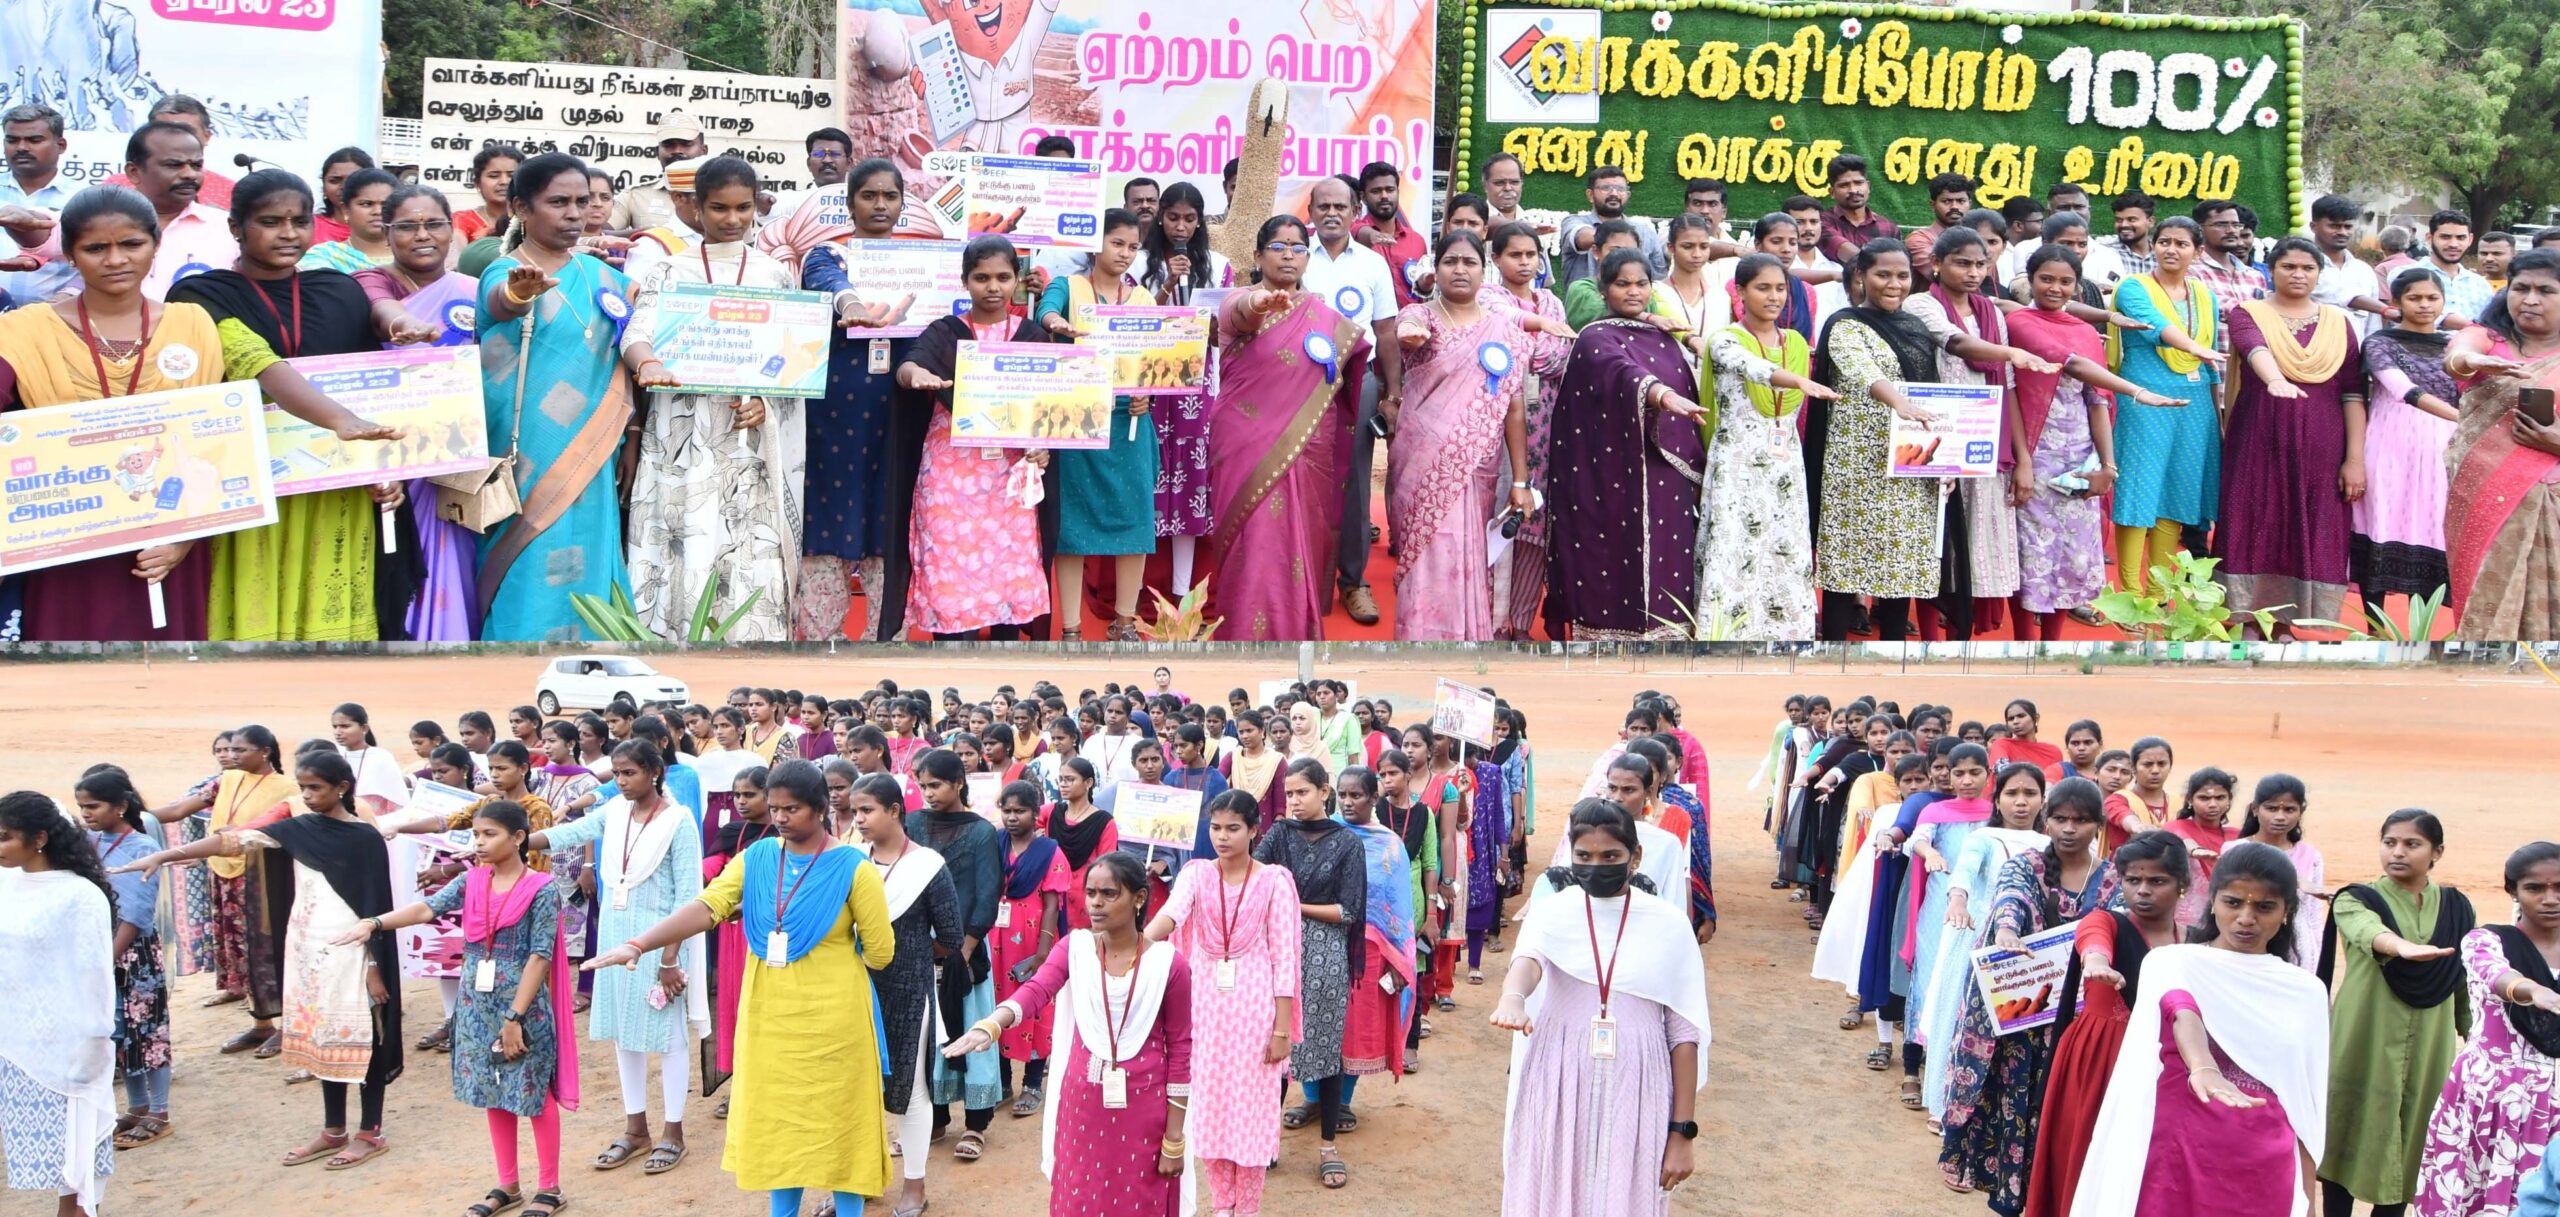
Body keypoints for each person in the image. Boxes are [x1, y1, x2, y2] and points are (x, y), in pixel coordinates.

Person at [587, 760, 895, 1216]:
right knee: (779, 1128)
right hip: (769, 1019)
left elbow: (881, 953)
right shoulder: (757, 856)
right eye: (775, 808)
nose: (781, 818)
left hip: (835, 1025)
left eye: (792, 809)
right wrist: (639, 943)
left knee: (839, 1127)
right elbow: (710, 903)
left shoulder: (855, 868)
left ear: (821, 808)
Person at [118, 751, 406, 1170]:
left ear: (342, 788)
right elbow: (237, 840)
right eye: (302, 787)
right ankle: (333, 1130)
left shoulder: (365, 838)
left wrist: (375, 967)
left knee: (364, 1040)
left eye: (315, 788)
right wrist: (165, 856)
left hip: (356, 955)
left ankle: (370, 1132)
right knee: (322, 1040)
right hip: (308, 952)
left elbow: (376, 905)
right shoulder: (300, 829)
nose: (306, 796)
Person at [164, 169, 410, 641]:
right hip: (246, 486)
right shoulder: (200, 295)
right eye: (270, 221)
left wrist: (387, 465)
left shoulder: (340, 290)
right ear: (236, 228)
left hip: (336, 485)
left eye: (299, 221)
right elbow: (253, 360)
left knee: (331, 628)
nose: (288, 234)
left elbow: (372, 387)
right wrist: (342, 421)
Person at [0, 187, 229, 641]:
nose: (116, 260)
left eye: (131, 244)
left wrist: (187, 534)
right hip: (67, 540)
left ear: (155, 245)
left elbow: (217, 440)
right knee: (69, 663)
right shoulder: (24, 330)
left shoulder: (193, 323)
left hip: (170, 535)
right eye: (95, 248)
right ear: (69, 254)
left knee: (169, 669)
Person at [474, 153, 680, 640]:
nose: (574, 213)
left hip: (595, 446)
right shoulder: (503, 270)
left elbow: (648, 330)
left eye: (582, 202)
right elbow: (499, 303)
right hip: (525, 455)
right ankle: (515, 649)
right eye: (558, 202)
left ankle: (594, 651)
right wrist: (518, 295)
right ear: (521, 208)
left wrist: (632, 432)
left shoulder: (604, 277)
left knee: (589, 548)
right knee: (529, 556)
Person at [345, 799, 576, 1217]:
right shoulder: (472, 880)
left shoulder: (542, 888)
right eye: (476, 834)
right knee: (492, 1090)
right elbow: (426, 908)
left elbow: (539, 956)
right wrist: (375, 922)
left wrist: (514, 1017)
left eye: (489, 834)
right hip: (475, 1005)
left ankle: (550, 1187)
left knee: (534, 1091)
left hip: (521, 1007)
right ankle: (507, 1184)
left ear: (518, 838)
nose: (479, 842)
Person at [2071, 847, 2332, 1217]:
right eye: (2233, 902)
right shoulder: (2172, 962)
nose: (2246, 918)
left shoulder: (2305, 991)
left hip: (2264, 1163)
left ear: (2286, 911)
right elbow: (2181, 1009)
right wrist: (2203, 1066)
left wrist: (2307, 1201)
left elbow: (2306, 1102)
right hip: (2176, 1155)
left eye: (2264, 907)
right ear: (2213, 902)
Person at [942, 852, 1193, 1216]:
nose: (1095, 903)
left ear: (1139, 898)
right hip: (1082, 1106)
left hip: (1145, 1110)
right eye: (1090, 892)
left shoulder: (1169, 965)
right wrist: (992, 1024)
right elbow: (1037, 989)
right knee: (1079, 1198)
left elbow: (1181, 1050)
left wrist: (1173, 1139)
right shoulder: (1075, 948)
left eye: (1109, 893)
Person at [1491, 800, 1707, 1217]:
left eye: (1610, 856)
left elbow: (1684, 1035)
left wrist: (1682, 1133)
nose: (1596, 866)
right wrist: (1512, 998)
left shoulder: (1668, 924)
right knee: (1552, 1188)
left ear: (1635, 856)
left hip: (1638, 1087)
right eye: (1584, 857)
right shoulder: (1553, 911)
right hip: (1559, 1080)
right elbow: (1528, 961)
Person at [622, 156, 802, 641]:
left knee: (747, 538)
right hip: (683, 431)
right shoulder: (669, 270)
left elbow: (793, 358)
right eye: (719, 208)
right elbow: (636, 334)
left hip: (748, 439)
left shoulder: (774, 275)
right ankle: (676, 640)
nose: (732, 219)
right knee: (685, 532)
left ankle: (749, 644)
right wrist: (648, 363)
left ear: (756, 206)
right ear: (696, 209)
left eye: (743, 208)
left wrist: (768, 403)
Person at [522, 740, 704, 1175]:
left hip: (660, 942)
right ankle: (636, 1128)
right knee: (624, 1032)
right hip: (615, 935)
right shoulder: (615, 811)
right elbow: (570, 834)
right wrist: (517, 843)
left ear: (654, 772)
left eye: (629, 773)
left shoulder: (678, 821)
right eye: (617, 773)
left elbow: (687, 897)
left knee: (669, 1036)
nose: (620, 781)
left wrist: (669, 958)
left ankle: (673, 1132)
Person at [1937, 778, 2119, 1208]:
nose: (2069, 828)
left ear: (2098, 825)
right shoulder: (2026, 865)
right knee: (2014, 1101)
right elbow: (2011, 898)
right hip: (2023, 1020)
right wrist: (2005, 930)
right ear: (2046, 821)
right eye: (2060, 818)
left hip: (2079, 1019)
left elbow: (2116, 924)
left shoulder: (2112, 877)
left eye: (2081, 820)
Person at [1205, 216, 1371, 640]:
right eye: (1277, 247)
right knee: (1254, 540)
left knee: (1298, 544)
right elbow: (1241, 315)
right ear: (1258, 256)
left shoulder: (1324, 316)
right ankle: (1243, 635)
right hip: (1246, 443)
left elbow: (1350, 368)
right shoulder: (1238, 300)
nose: (1288, 255)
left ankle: (1295, 633)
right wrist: (1258, 304)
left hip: (1308, 448)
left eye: (1298, 247)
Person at [1142, 790, 1299, 1217]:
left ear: (1254, 830)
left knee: (1250, 1113)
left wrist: (1281, 1030)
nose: (1222, 837)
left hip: (1256, 1011)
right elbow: (1171, 915)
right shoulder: (1195, 874)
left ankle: (1246, 1209)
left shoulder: (1274, 881)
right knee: (1210, 1108)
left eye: (1233, 828)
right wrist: (1134, 945)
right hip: (1204, 1009)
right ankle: (1221, 1207)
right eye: (1215, 828)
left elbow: (1284, 958)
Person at [2007, 245, 2177, 636]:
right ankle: (2023, 644)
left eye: (2065, 281)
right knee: (2031, 555)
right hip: (2034, 452)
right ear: (2030, 281)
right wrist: (2138, 392)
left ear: (2077, 287)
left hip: (2080, 456)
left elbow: (2097, 400)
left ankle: (2051, 644)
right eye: (2046, 279)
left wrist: (2107, 466)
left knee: (2073, 557)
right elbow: (2070, 364)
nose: (2055, 288)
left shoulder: (2084, 331)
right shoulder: (2019, 324)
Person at [2020, 829, 2190, 1217]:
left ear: (2182, 885)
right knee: (2083, 1155)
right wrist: (2096, 961)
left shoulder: (2192, 942)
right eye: (2133, 880)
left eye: (2157, 881)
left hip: (2160, 1066)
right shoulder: (2108, 921)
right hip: (2099, 1060)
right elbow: (2092, 937)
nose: (2142, 890)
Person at [1544, 247, 1711, 639]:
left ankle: (1669, 635)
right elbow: (1620, 371)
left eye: (1641, 284)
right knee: (1613, 554)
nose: (1633, 291)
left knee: (1668, 551)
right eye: (1622, 284)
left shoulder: (1664, 337)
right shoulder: (1594, 337)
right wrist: (1661, 395)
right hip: (1610, 473)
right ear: (1603, 290)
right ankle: (1605, 636)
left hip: (1664, 468)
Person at [892, 235, 1052, 640]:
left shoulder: (1032, 336)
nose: (993, 287)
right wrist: (917, 376)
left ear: (1017, 280)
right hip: (950, 475)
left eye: (1003, 277)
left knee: (1008, 572)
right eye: (982, 278)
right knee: (949, 569)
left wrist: (1043, 446)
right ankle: (951, 656)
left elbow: (1051, 403)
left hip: (1009, 476)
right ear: (965, 281)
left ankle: (1004, 662)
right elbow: (909, 365)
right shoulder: (945, 332)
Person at [2317, 809, 2475, 1217]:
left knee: (2415, 1136)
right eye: (2389, 843)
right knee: (2347, 1130)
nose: (2398, 852)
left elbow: (2460, 976)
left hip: (2430, 1043)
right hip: (2364, 1036)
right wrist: (2401, 947)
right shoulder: (2355, 899)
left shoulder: (2457, 907)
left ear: (2437, 852)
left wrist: (2473, 1031)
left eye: (2412, 844)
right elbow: (2366, 930)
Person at [1902, 226, 2058, 638]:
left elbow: (2008, 390)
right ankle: (1929, 640)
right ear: (1937, 264)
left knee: (1974, 552)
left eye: (1980, 264)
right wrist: (2011, 352)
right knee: (1935, 547)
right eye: (1962, 263)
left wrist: (2023, 460)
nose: (1973, 273)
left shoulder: (1991, 313)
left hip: (1983, 444)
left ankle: (1961, 642)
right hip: (1934, 439)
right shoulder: (1920, 304)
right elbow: (1954, 342)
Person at [1387, 229, 1536, 639]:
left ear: (1483, 271)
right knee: (1427, 553)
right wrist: (1409, 332)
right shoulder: (1423, 317)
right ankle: (1419, 638)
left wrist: (1520, 481)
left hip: (1477, 466)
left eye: (1469, 262)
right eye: (1450, 261)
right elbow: (1408, 325)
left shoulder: (1504, 332)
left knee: (1466, 549)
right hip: (1422, 466)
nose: (1460, 269)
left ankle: (1466, 639)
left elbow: (1515, 409)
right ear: (1436, 269)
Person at [2217, 236, 2369, 633]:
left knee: (2311, 524)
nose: (2298, 274)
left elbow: (2353, 393)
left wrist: (2355, 460)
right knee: (2253, 518)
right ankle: (2247, 619)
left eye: (2307, 268)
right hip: (2258, 437)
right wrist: (2275, 380)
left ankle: (2288, 622)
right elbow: (2254, 348)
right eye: (2289, 267)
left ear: (2319, 274)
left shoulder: (2339, 323)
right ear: (2272, 271)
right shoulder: (2248, 312)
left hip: (2323, 443)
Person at [351, 183, 482, 637]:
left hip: (459, 454)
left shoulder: (472, 290)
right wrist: (405, 325)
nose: (423, 235)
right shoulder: (370, 281)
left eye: (434, 224)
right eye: (407, 226)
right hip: (396, 454)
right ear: (386, 232)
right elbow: (381, 309)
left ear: (451, 230)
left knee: (460, 559)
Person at [796, 158, 917, 641]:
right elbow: (832, 286)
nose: (880, 205)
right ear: (850, 204)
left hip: (901, 409)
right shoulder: (826, 255)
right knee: (826, 511)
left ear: (903, 204)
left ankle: (885, 641)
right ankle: (820, 642)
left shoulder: (924, 264)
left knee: (891, 512)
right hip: (832, 413)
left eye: (890, 196)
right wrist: (852, 305)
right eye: (869, 196)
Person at [2414, 840, 2560, 1217]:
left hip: (2554, 1105)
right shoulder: (2486, 940)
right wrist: (2530, 990)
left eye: (2559, 888)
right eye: (2535, 888)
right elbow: (2494, 973)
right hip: (2489, 1099)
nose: (2550, 899)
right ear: (2512, 890)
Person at [1809, 239, 1946, 640]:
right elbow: (1862, 369)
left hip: (1908, 463)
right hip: (1855, 467)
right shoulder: (1844, 325)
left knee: (1899, 571)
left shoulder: (1915, 327)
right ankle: (1834, 648)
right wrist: (1898, 402)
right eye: (1883, 274)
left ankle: (1893, 652)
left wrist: (1945, 461)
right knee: (1844, 567)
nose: (1894, 284)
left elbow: (1935, 394)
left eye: (1902, 275)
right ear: (1861, 276)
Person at [1037, 208, 1159, 641]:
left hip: (1130, 423)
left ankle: (1124, 622)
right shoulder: (1068, 286)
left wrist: (1148, 392)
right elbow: (1045, 311)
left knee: (1135, 521)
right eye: (1117, 243)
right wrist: (1056, 323)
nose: (1125, 253)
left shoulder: (1143, 299)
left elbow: (1155, 359)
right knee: (1071, 526)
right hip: (1075, 420)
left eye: (1133, 247)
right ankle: (1070, 628)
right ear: (1095, 244)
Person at [1697, 254, 1834, 638]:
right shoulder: (1725, 340)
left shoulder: (1796, 342)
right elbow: (1748, 365)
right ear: (1740, 292)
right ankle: (1726, 637)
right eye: (1762, 288)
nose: (1773, 297)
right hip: (1736, 466)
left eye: (1780, 289)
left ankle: (1785, 634)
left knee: (1783, 548)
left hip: (1784, 465)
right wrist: (1795, 380)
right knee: (1735, 548)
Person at [846, 770, 962, 1209]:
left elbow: (950, 937)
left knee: (911, 1089)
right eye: (855, 811)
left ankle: (915, 1184)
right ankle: (858, 1180)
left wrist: (905, 952)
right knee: (855, 1088)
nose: (858, 819)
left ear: (895, 810)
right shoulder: (850, 860)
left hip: (909, 992)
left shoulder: (927, 865)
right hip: (852, 988)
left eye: (867, 810)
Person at [0, 791, 118, 1217]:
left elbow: (94, 975)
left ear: (40, 838)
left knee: (78, 1165)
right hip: (13, 1045)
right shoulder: (5, 884)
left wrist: (94, 1042)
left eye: (5, 836)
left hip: (68, 1047)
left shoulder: (80, 896)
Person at [1256, 758, 1366, 1187]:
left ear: (1324, 792)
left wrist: (1293, 905)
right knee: (1273, 1046)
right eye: (1289, 793)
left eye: (1302, 792)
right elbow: (1254, 878)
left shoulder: (1347, 842)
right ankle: (1267, 1140)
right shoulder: (1279, 834)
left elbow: (1348, 910)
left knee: (1326, 1046)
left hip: (1325, 953)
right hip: (1275, 950)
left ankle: (1327, 1146)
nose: (1294, 801)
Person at [2107, 216, 2230, 594]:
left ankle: (2160, 593)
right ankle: (2130, 594)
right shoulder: (2134, 287)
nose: (2171, 250)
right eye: (2164, 242)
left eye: (2181, 243)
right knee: (2139, 488)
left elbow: (2210, 361)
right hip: (2143, 398)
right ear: (2154, 246)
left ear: (2198, 251)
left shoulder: (2204, 294)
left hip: (2196, 403)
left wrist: (2216, 418)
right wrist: (2193, 347)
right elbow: (2153, 324)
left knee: (2178, 490)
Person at [1298, 179, 1401, 627]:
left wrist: (1392, 394)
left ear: (1355, 210)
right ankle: (1304, 579)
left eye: (1341, 206)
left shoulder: (1373, 263)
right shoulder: (1294, 254)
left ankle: (1354, 581)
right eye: (1324, 206)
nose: (1332, 213)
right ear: (1311, 211)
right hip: (1299, 383)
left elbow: (1386, 332)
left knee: (1356, 480)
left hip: (1359, 381)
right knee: (1301, 478)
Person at [2443, 247, 2560, 637]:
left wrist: (2555, 442)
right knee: (2482, 598)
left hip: (2551, 498)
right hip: (2478, 494)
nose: (2530, 300)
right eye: (2521, 288)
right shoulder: (2487, 338)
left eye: (2546, 290)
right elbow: (2457, 354)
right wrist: (2472, 361)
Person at [906, 750, 1004, 1159]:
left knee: (972, 1031)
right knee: (926, 1038)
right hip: (918, 950)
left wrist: (963, 949)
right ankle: (936, 1120)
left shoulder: (981, 832)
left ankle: (976, 1125)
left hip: (967, 950)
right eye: (923, 786)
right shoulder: (912, 823)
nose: (928, 793)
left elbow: (988, 892)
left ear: (958, 784)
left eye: (936, 785)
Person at [1481, 222, 1576, 637]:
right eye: (1514, 255)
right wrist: (1538, 336)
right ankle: (1490, 622)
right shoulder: (1488, 297)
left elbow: (1555, 357)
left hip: (1548, 426)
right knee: (1499, 518)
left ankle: (1520, 622)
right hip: (1499, 425)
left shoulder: (1552, 301)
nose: (1524, 262)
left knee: (1535, 524)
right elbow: (1520, 349)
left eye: (1530, 255)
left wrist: (1529, 345)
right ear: (1496, 259)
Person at [1139, 182, 1232, 596]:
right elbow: (1136, 324)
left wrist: (1214, 327)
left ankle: (1182, 590)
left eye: (1189, 219)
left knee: (1192, 481)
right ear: (1161, 217)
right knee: (1150, 477)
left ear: (1200, 222)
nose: (1181, 226)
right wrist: (1166, 284)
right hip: (1151, 383)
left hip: (1198, 384)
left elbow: (1225, 330)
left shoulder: (1219, 265)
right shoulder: (1137, 263)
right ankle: (1137, 588)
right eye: (1173, 217)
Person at [71, 772, 172, 1152]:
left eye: (93, 806)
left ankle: (159, 1112)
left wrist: (106, 960)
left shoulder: (141, 846)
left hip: (132, 953)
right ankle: (136, 1107)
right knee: (119, 1032)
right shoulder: (90, 841)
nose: (86, 813)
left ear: (121, 806)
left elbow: (136, 914)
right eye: (82, 807)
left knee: (146, 1031)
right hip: (101, 949)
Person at [2350, 267, 2460, 605]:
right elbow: (2403, 390)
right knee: (2380, 520)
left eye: (2432, 298)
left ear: (2443, 301)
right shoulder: (2379, 343)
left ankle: (2419, 628)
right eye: (2415, 298)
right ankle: (2374, 627)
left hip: (2442, 449)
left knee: (2432, 523)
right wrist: (2462, 418)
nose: (2424, 305)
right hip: (2388, 445)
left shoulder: (2455, 346)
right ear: (2397, 302)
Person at [992, 780, 1070, 1118]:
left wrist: (1043, 953)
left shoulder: (1049, 851)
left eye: (1020, 811)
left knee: (1036, 1007)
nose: (1012, 817)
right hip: (995, 940)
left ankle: (1033, 1083)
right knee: (996, 1004)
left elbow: (1052, 905)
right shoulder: (995, 843)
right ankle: (1002, 1082)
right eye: (1007, 811)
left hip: (1034, 939)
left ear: (1036, 813)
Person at [2236, 775, 2328, 968]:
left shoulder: (2311, 856)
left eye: (2289, 810)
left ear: (2301, 811)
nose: (2280, 816)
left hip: (2298, 946)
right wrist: (2298, 881)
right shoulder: (2235, 850)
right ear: (2255, 809)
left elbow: (2313, 916)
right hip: (2250, 936)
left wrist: (2316, 958)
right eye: (2271, 808)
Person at [1558, 163, 1667, 285]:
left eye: (1620, 189)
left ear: (1627, 195)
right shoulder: (1573, 222)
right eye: (1606, 188)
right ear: (1590, 195)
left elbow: (1658, 281)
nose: (1614, 193)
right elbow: (1581, 237)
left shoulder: (1645, 232)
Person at [1350, 161, 1427, 308]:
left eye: (1390, 190)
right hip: (1368, 321)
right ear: (1363, 197)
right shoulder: (1352, 235)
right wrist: (1371, 235)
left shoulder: (1417, 241)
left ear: (1398, 192)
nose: (1384, 196)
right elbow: (1357, 231)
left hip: (1411, 320)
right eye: (1376, 191)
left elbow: (1423, 294)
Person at [297, 167, 396, 273]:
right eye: (366, 204)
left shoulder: (407, 257)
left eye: (385, 205)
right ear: (346, 210)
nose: (378, 211)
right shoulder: (325, 257)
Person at [1905, 173, 1976, 280]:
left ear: (1969, 204)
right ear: (1933, 205)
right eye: (1946, 201)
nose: (1954, 207)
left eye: (1961, 201)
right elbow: (1941, 274)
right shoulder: (1919, 240)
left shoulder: (1978, 238)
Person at [452, 146, 520, 248]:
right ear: (477, 183)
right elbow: (457, 256)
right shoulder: (461, 220)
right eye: (494, 176)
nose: (504, 182)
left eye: (511, 175)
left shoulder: (532, 219)